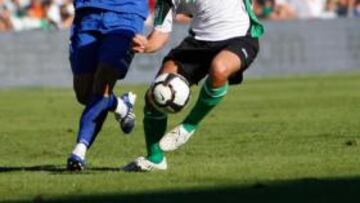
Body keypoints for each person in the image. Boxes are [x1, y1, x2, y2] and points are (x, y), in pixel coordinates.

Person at [122, 0, 264, 171]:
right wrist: (145, 45)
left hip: (240, 37)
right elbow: (159, 34)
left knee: (219, 70)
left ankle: (189, 126)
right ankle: (155, 158)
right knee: (155, 94)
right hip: (198, 42)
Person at [66, 0, 149, 171]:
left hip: (126, 14)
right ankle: (120, 105)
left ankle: (79, 151)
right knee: (84, 94)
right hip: (87, 12)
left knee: (103, 81)